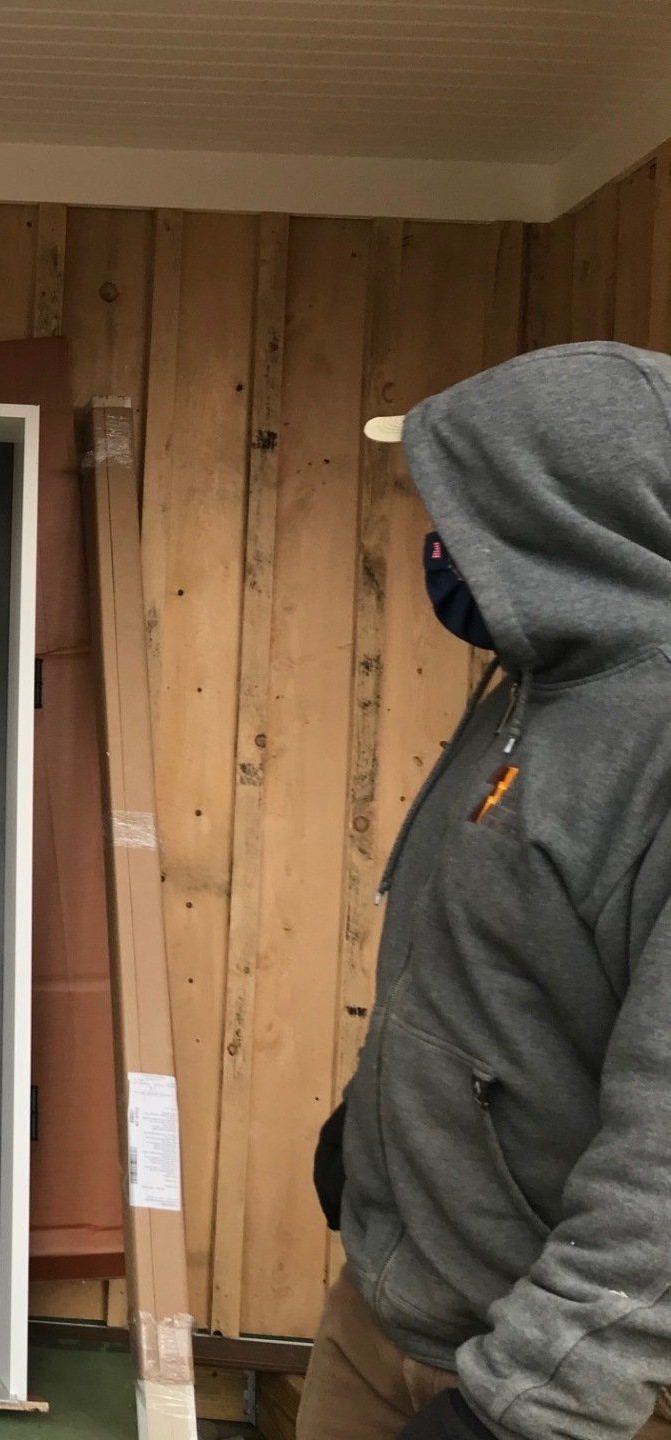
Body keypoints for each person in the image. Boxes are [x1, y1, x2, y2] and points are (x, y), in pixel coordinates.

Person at [303, 342, 671, 1440]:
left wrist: (534, 1401)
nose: (437, 538)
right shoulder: (530, 690)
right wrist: (372, 1128)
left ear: (559, 511)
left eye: (461, 506)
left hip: (549, 1391)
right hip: (390, 1315)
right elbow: (482, 962)